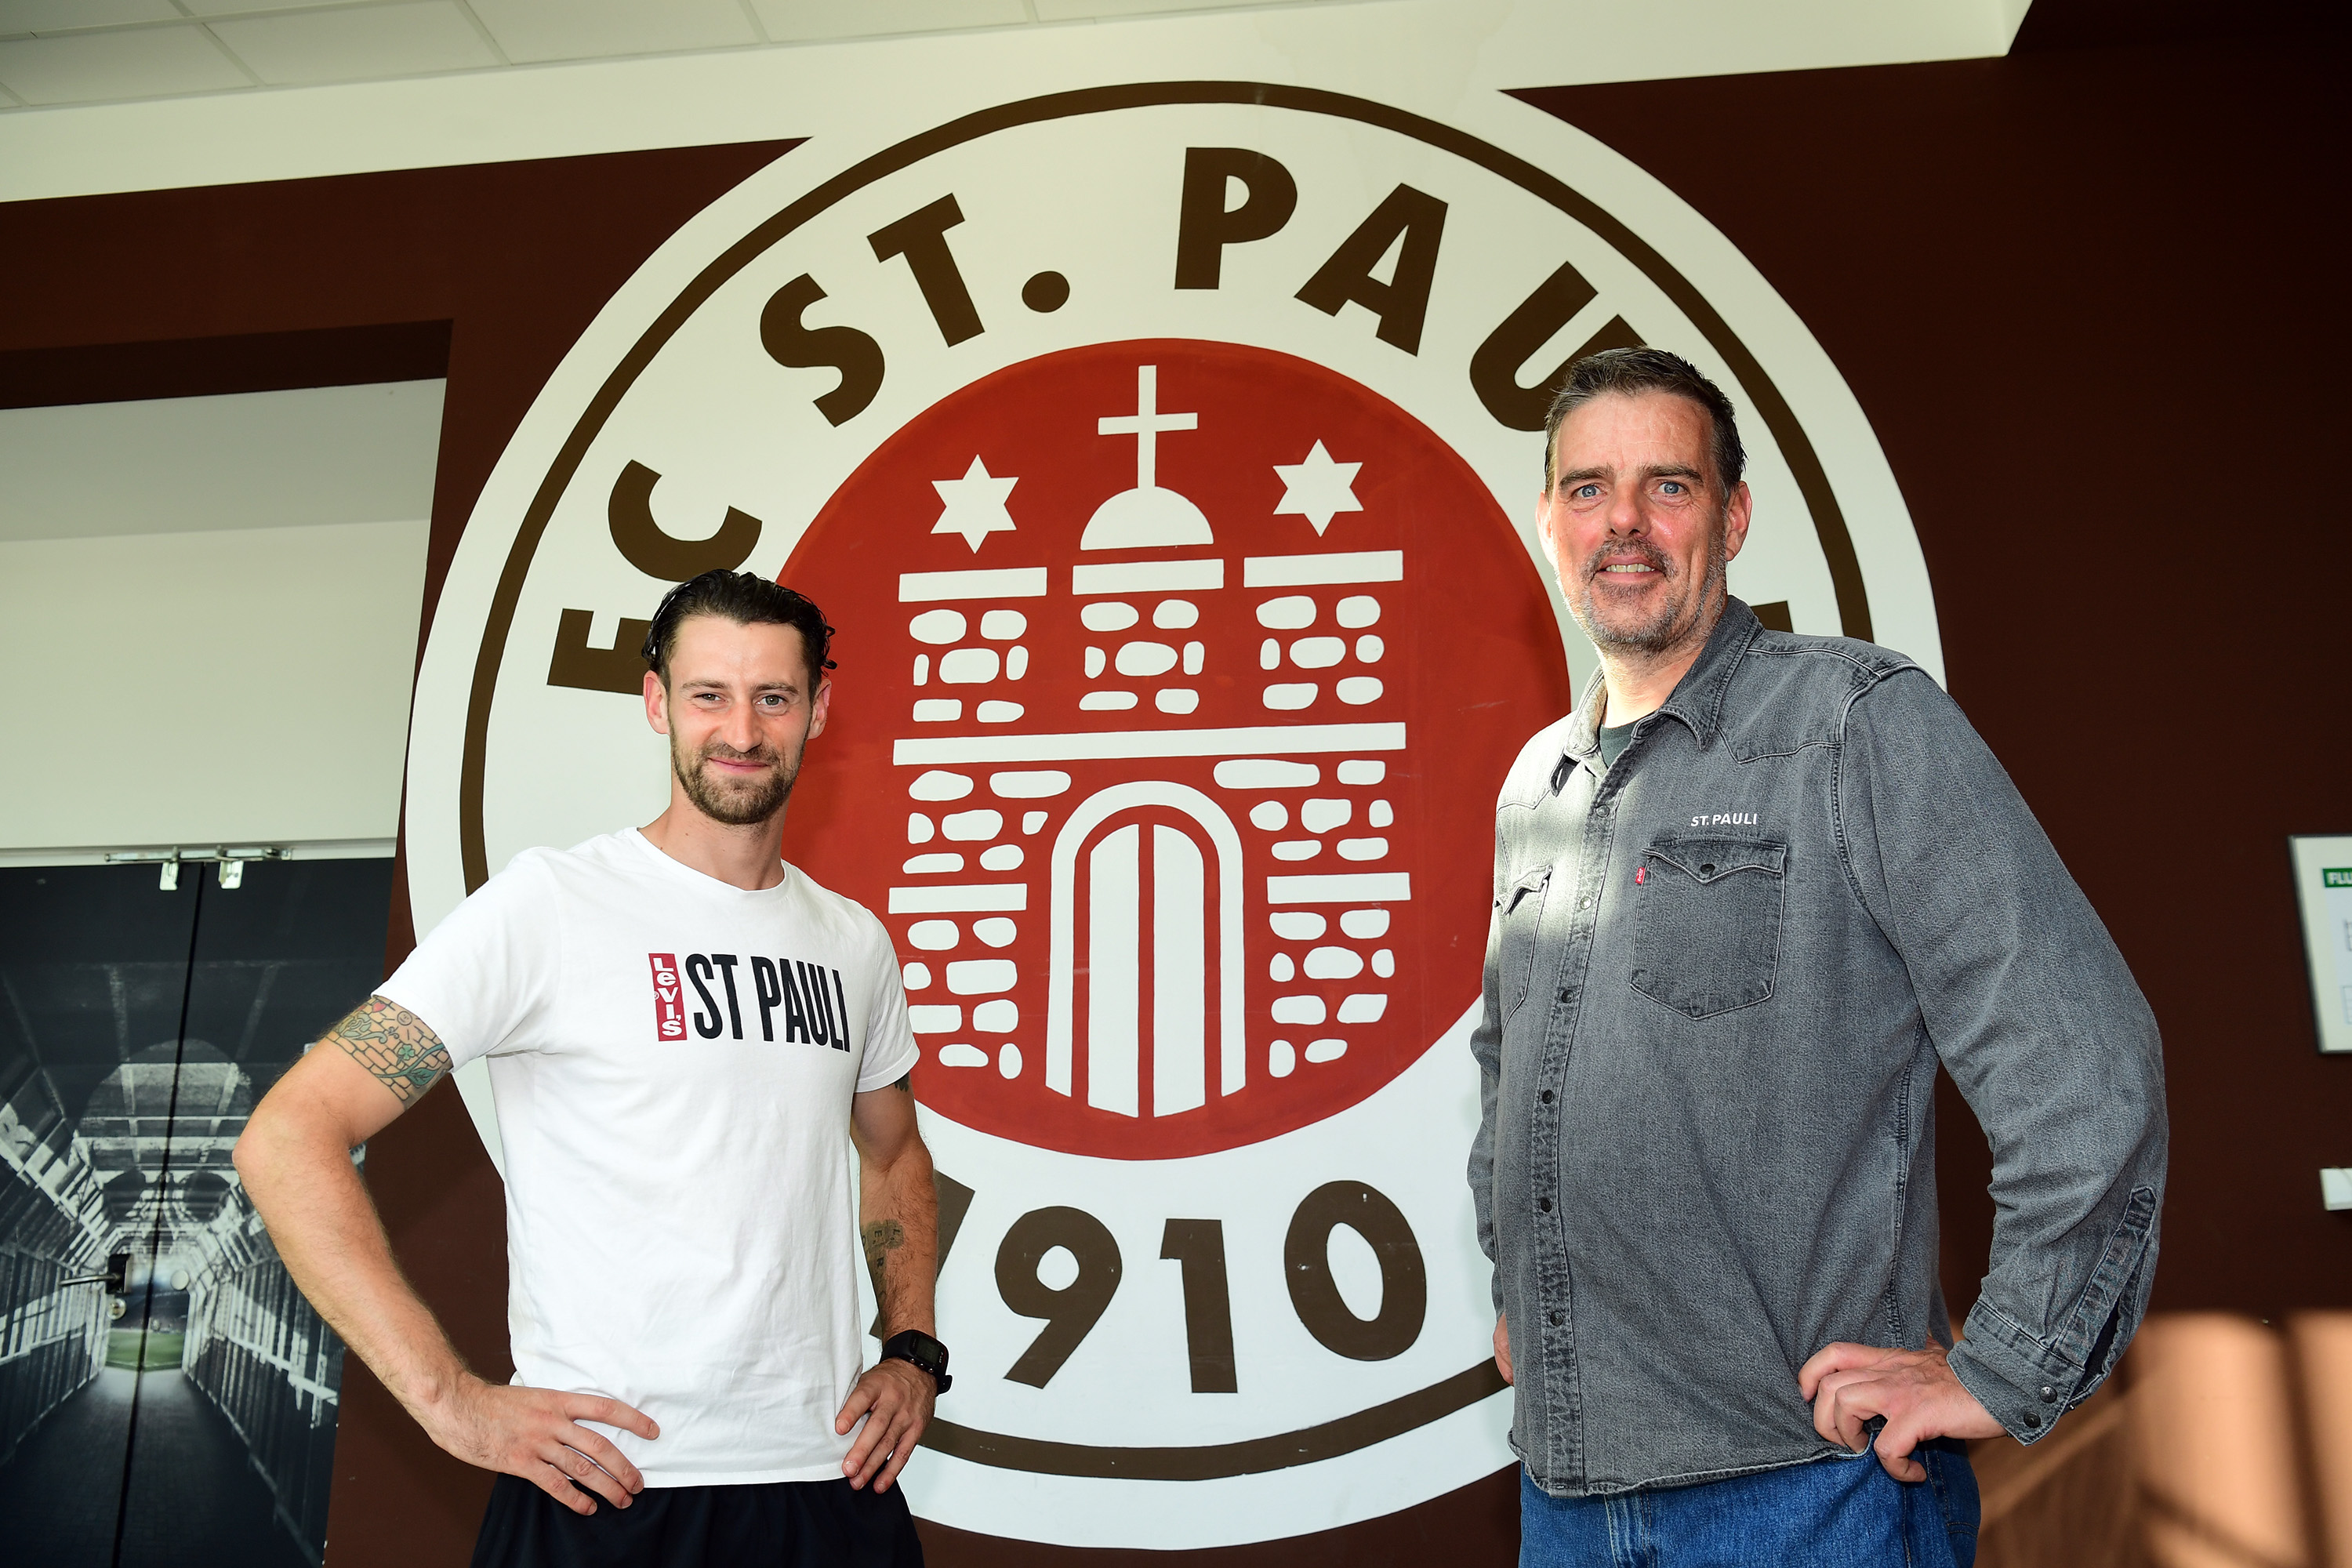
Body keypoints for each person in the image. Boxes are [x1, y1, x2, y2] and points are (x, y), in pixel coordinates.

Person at [1467, 348, 2166, 1566]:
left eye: (1667, 486)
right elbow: (1509, 1061)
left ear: (1732, 516)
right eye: (1587, 490)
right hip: (1566, 1494)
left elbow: (2085, 1060)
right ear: (1547, 519)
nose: (1622, 523)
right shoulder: (1541, 780)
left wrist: (2007, 1367)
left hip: (1804, 1497)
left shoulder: (1855, 723)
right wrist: (1517, 1283)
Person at [236, 570, 946, 1567]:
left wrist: (912, 1346)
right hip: (611, 1490)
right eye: (708, 694)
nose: (740, 728)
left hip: (826, 1486)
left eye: (773, 697)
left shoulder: (852, 942)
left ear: (816, 709)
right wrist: (450, 1400)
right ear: (658, 702)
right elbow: (286, 1133)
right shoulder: (550, 906)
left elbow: (897, 1150)